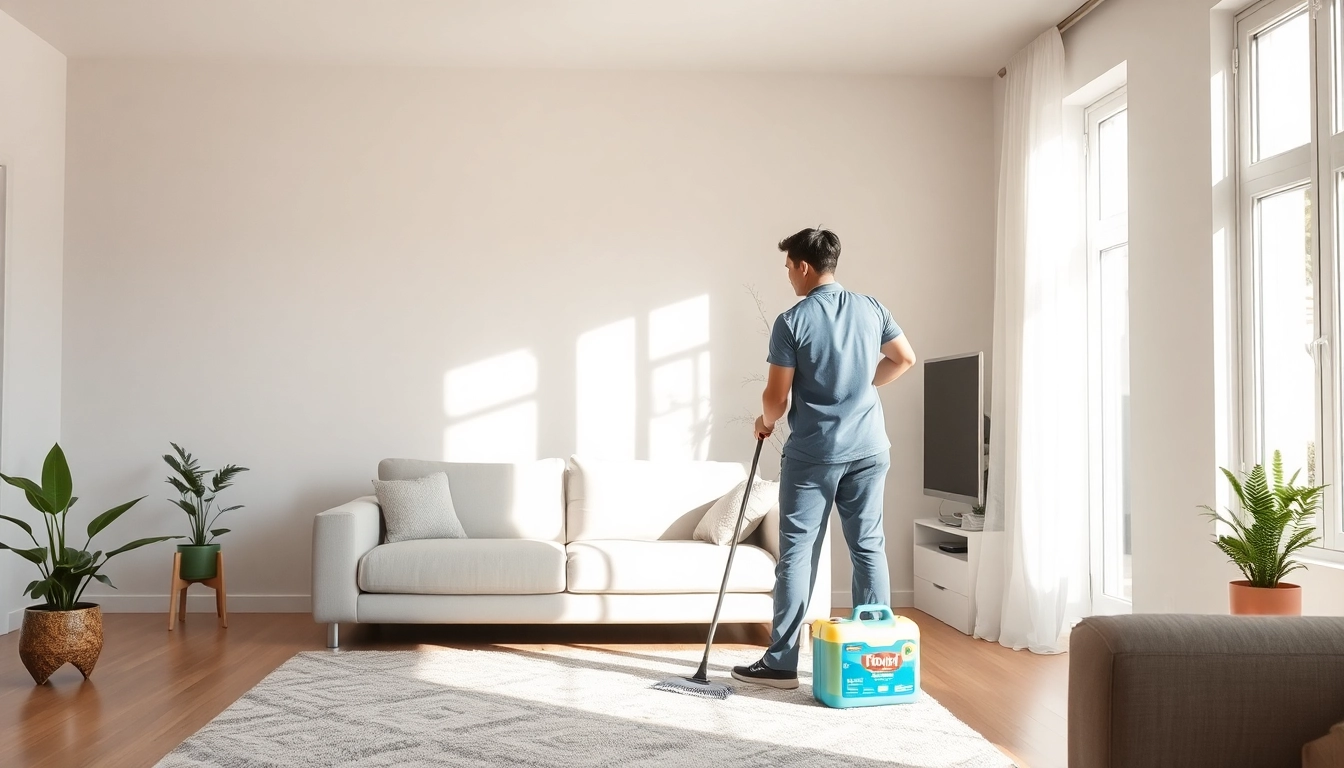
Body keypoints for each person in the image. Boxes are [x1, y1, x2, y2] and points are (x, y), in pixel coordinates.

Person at [731, 227, 916, 689]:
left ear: (804, 267)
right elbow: (905, 358)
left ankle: (781, 664)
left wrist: (765, 421)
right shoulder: (872, 307)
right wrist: (863, 385)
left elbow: (776, 398)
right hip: (870, 449)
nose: (788, 276)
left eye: (789, 267)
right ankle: (877, 655)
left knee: (796, 554)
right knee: (867, 545)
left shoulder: (792, 321)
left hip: (815, 454)